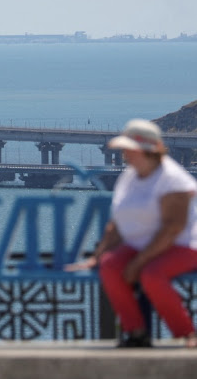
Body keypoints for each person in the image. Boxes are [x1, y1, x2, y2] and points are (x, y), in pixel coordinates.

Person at [67, 119, 197, 347]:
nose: (125, 154)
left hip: (183, 245)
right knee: (110, 266)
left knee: (151, 274)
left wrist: (138, 262)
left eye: (130, 149)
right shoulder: (130, 176)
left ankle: (187, 334)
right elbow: (117, 222)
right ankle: (135, 332)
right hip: (143, 245)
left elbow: (172, 228)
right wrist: (97, 256)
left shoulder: (173, 179)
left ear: (147, 151)